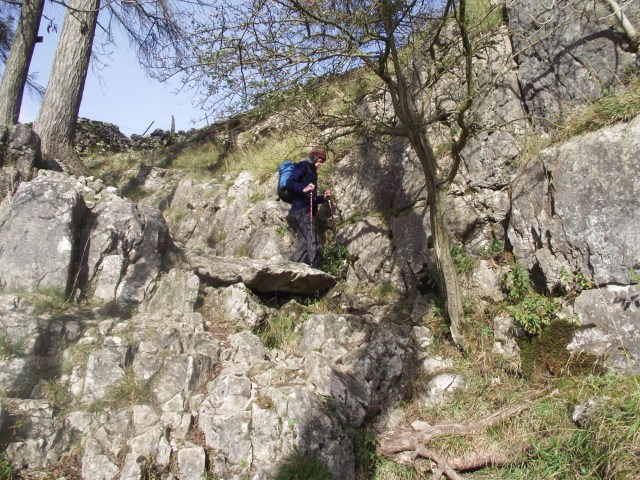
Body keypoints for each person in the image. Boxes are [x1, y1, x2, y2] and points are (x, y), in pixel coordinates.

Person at [285, 147, 332, 268]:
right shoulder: (303, 166)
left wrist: (324, 198)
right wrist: (303, 188)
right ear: (314, 157)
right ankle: (316, 269)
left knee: (305, 243)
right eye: (319, 161)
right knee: (314, 240)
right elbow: (290, 183)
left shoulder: (313, 173)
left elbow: (313, 198)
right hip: (301, 210)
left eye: (322, 163)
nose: (320, 164)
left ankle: (291, 268)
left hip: (304, 210)